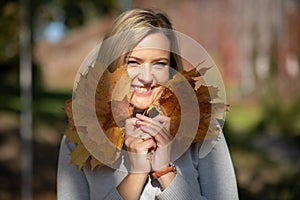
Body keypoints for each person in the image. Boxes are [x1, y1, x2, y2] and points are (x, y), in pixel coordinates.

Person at [57, 8, 239, 200]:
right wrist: (136, 175)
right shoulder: (80, 138)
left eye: (160, 63)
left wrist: (165, 173)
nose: (146, 77)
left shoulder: (204, 132)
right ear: (111, 66)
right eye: (133, 62)